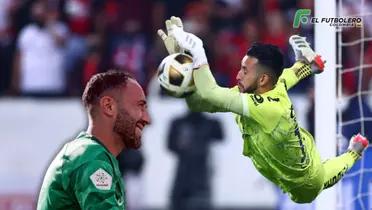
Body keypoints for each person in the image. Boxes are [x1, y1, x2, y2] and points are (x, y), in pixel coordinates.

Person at [157, 17, 369, 203]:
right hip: (290, 148)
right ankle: (309, 64)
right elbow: (199, 103)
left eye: (244, 70)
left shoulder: (268, 108)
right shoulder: (262, 89)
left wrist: (197, 50)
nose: (238, 75)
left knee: (321, 179)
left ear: (262, 78)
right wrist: (185, 65)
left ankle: (354, 152)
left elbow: (210, 94)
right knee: (283, 81)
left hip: (304, 183)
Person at [37, 71, 151, 209]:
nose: (147, 119)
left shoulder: (89, 154)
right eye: (139, 106)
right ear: (109, 106)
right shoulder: (92, 159)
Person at [167, 110, 224, 210]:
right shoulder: (180, 123)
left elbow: (220, 135)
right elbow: (170, 145)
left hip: (201, 176)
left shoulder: (208, 124)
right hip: (183, 175)